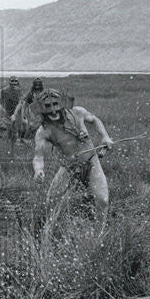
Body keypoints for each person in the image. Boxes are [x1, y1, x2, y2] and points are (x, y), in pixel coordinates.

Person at [32, 88, 114, 232]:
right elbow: (38, 155)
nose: (53, 111)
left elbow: (95, 120)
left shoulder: (78, 113)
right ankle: (48, 231)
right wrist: (38, 170)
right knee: (51, 201)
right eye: (47, 106)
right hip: (69, 167)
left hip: (91, 162)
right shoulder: (44, 131)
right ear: (41, 109)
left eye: (55, 104)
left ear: (62, 103)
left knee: (102, 200)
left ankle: (98, 233)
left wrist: (105, 136)